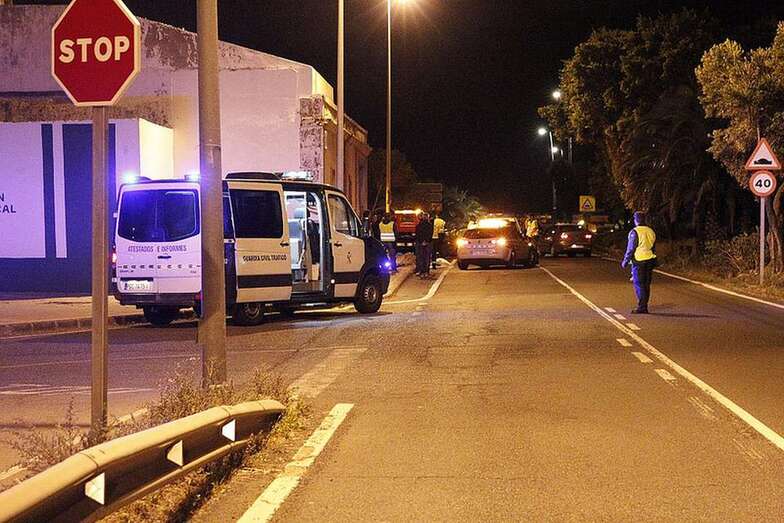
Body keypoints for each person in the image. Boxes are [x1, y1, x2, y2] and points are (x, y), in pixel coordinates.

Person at [621, 211, 657, 314]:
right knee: (646, 284)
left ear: (636, 220)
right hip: (650, 260)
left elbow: (631, 248)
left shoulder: (634, 232)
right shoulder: (651, 231)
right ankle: (644, 305)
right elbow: (653, 247)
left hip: (639, 261)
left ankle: (642, 307)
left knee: (639, 284)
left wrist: (625, 261)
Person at [415, 212, 434, 278]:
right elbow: (430, 234)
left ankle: (421, 271)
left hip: (420, 243)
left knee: (421, 257)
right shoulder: (430, 225)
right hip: (428, 243)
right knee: (427, 257)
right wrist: (426, 241)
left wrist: (421, 241)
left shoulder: (418, 225)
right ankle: (426, 272)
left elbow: (417, 234)